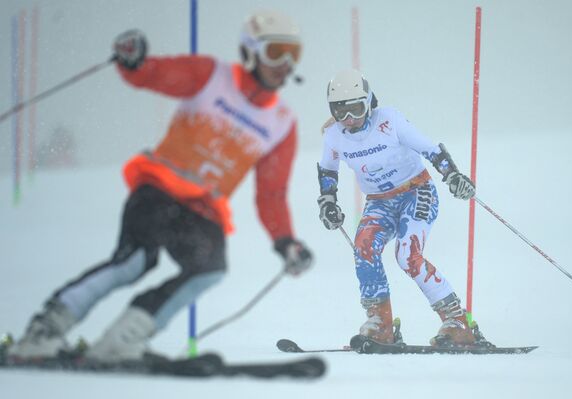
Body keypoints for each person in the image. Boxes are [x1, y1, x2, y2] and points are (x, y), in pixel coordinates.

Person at [10, 10, 312, 363]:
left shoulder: (281, 123)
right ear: (249, 51)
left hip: (203, 211)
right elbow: (155, 75)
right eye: (275, 52)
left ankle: (122, 340)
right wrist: (135, 62)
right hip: (158, 191)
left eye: (294, 54)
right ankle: (44, 331)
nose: (285, 64)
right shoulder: (211, 76)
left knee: (209, 269)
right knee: (134, 262)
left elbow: (271, 194)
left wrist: (285, 241)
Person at [317, 69, 486, 347]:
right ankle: (380, 322)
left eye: (357, 109)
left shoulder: (389, 121)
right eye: (341, 112)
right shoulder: (334, 136)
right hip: (379, 201)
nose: (350, 120)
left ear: (369, 101)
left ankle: (457, 321)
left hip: (416, 191)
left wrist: (452, 175)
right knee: (364, 246)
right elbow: (328, 171)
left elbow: (430, 149)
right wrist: (328, 201)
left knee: (407, 254)